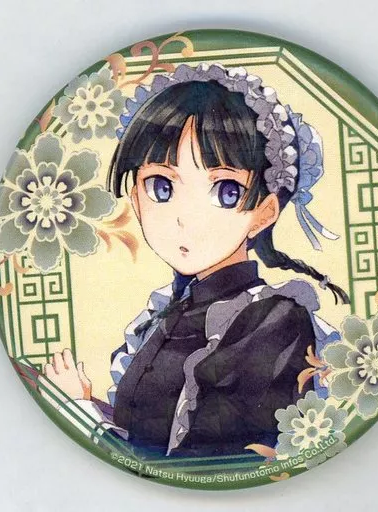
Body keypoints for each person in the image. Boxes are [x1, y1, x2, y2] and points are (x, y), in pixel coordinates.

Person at [38, 63, 349, 459]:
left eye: (226, 192)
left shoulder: (275, 321)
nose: (186, 217)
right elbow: (146, 441)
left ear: (264, 213)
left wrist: (82, 415)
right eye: (161, 187)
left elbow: (209, 468)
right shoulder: (165, 313)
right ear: (136, 198)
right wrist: (86, 403)